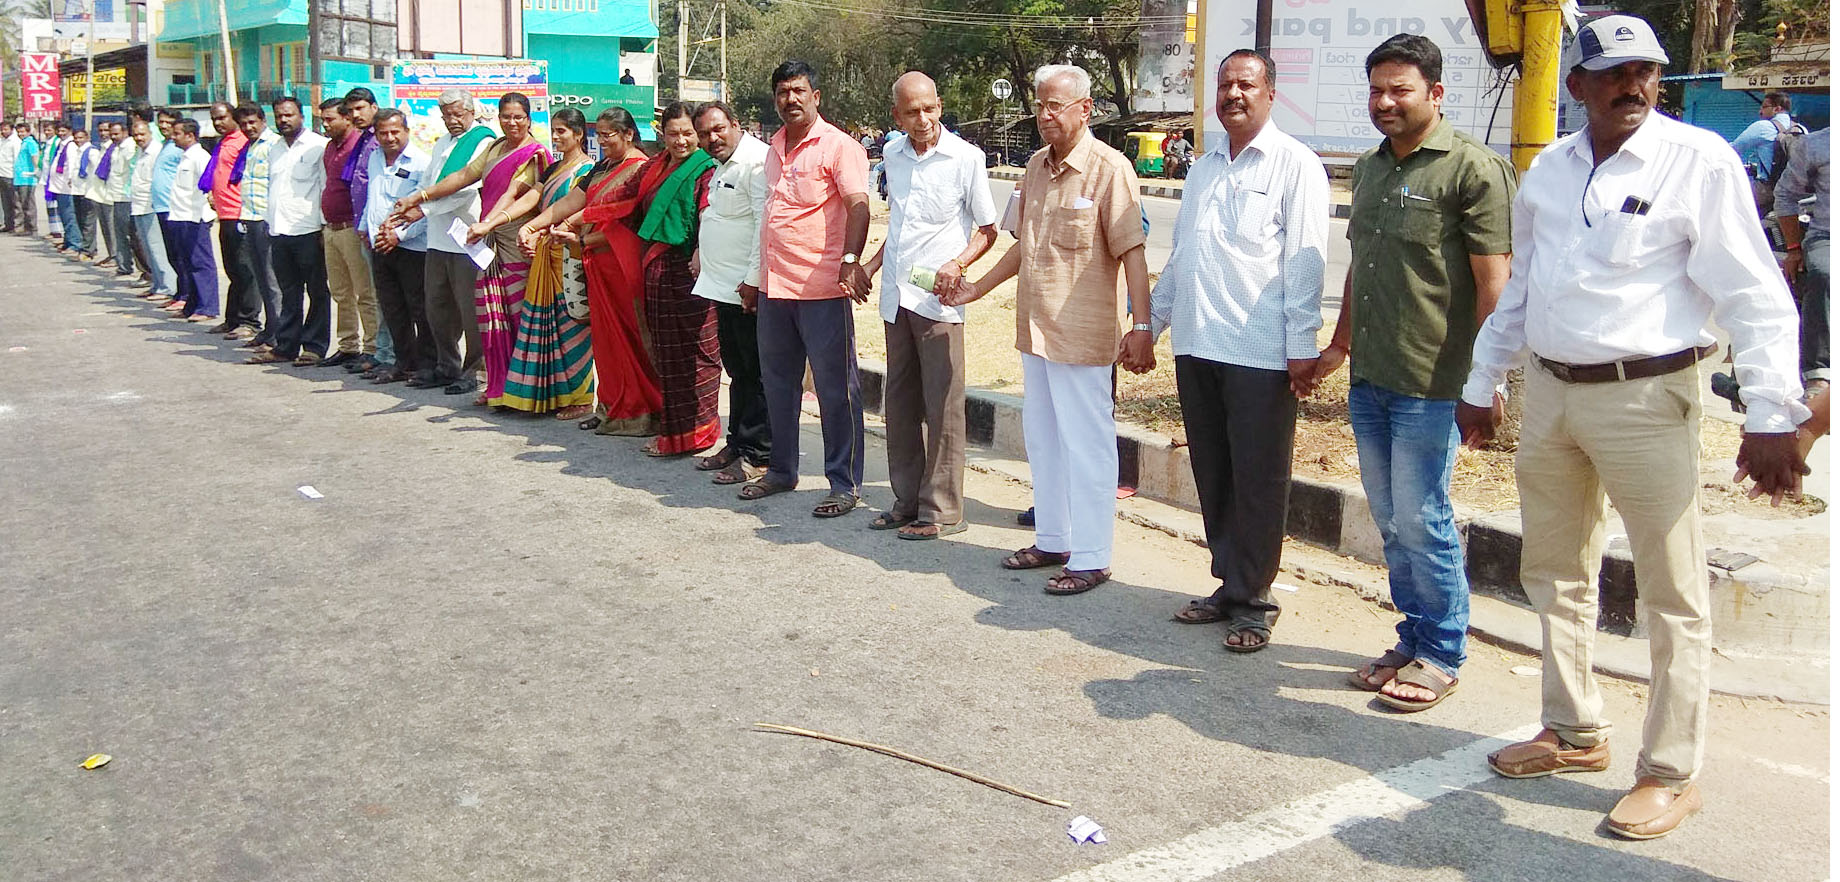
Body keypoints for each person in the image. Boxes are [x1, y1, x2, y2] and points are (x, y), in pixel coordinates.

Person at [1459, 15, 1810, 840]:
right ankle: (1574, 729)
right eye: (1613, 73)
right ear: (1576, 86)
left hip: (1650, 399)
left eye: (1646, 72)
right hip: (1552, 394)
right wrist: (1483, 378)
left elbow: (1755, 295)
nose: (1632, 86)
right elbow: (1522, 288)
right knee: (1556, 572)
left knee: (1672, 593)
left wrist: (1771, 412)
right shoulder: (1549, 169)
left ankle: (1671, 772)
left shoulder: (1699, 162)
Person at [1310, 34, 1515, 708]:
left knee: (1424, 517)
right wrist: (1338, 347)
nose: (1386, 102)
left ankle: (1443, 652)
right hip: (1371, 377)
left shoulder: (1472, 170)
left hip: (1435, 384)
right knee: (1393, 519)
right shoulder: (1369, 169)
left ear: (1436, 93)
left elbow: (1494, 288)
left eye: (1400, 89)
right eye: (1377, 90)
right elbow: (1361, 271)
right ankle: (1415, 634)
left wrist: (1489, 383)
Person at [1147, 49, 1330, 650]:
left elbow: (1306, 264)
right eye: (1224, 85)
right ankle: (1229, 582)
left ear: (1270, 93)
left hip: (1259, 352)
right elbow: (1182, 259)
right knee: (1215, 473)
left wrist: (1302, 346)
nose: (1233, 95)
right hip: (1199, 345)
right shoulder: (1202, 170)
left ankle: (1255, 599)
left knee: (1258, 478)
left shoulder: (1295, 165)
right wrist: (1149, 323)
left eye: (1245, 84)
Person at [946, 65, 1151, 594]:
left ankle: (1092, 555)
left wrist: (1143, 324)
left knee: (1088, 443)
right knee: (1043, 439)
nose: (1045, 116)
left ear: (1085, 110)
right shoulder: (1036, 167)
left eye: (1056, 106)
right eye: (1039, 105)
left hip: (1082, 336)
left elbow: (1132, 252)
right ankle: (1054, 537)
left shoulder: (1110, 169)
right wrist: (975, 288)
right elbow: (1022, 245)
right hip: (1035, 331)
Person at [862, 72, 997, 539]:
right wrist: (871, 266)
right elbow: (899, 224)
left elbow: (988, 230)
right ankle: (906, 501)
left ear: (940, 106)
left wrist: (957, 264)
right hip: (897, 297)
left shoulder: (966, 158)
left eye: (929, 109)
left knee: (943, 407)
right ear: (895, 116)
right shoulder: (892, 157)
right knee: (898, 405)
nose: (922, 120)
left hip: (938, 301)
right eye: (911, 112)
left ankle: (941, 511)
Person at [741, 60, 872, 518]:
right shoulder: (773, 146)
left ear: (817, 96)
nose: (790, 99)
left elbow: (858, 204)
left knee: (837, 391)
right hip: (776, 288)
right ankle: (781, 470)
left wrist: (851, 261)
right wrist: (757, 279)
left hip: (822, 289)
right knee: (778, 385)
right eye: (782, 92)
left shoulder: (840, 147)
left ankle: (844, 483)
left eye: (798, 91)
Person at [516, 107, 662, 435]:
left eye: (609, 135)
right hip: (594, 260)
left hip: (621, 262)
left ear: (628, 134)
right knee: (604, 339)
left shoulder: (638, 169)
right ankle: (609, 405)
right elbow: (573, 201)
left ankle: (640, 409)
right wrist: (535, 227)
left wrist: (573, 231)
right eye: (601, 135)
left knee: (629, 338)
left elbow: (622, 216)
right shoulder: (603, 166)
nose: (603, 141)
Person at [401, 92, 551, 407]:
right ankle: (499, 385)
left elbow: (521, 195)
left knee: (518, 314)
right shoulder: (496, 148)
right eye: (506, 116)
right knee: (492, 316)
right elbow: (463, 176)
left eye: (518, 117)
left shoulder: (535, 153)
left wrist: (490, 224)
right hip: (487, 239)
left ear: (528, 119)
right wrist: (420, 196)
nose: (512, 123)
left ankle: (526, 389)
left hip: (514, 240)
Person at [591, 102, 719, 451]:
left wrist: (700, 253)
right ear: (662, 134)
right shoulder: (653, 168)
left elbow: (710, 216)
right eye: (673, 133)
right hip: (657, 271)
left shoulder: (708, 170)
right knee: (666, 354)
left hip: (692, 270)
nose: (681, 141)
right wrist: (577, 224)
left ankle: (702, 431)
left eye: (688, 134)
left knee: (698, 355)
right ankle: (674, 433)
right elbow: (623, 207)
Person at [477, 106, 597, 414]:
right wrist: (498, 222)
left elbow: (581, 210)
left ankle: (582, 398)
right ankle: (554, 395)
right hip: (544, 255)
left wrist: (541, 229)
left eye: (562, 131)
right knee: (550, 327)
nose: (555, 137)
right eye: (554, 131)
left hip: (569, 256)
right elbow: (530, 197)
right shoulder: (552, 169)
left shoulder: (587, 171)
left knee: (574, 327)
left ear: (579, 134)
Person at [689, 100, 774, 483]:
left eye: (718, 129)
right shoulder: (723, 164)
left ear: (736, 125)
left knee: (755, 373)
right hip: (722, 285)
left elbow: (762, 224)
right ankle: (737, 442)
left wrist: (754, 279)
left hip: (746, 288)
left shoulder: (756, 162)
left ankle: (759, 454)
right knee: (737, 371)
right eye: (705, 133)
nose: (712, 138)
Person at [396, 90, 493, 393]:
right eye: (447, 114)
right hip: (437, 239)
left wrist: (421, 209)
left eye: (457, 114)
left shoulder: (482, 142)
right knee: (436, 307)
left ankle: (475, 371)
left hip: (467, 237)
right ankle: (446, 365)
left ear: (471, 112)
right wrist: (409, 211)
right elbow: (428, 184)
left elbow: (464, 189)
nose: (452, 120)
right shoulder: (441, 144)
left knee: (470, 309)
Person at [245, 97, 330, 367]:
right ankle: (286, 346)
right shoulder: (275, 148)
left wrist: (323, 226)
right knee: (288, 292)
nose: (284, 120)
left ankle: (314, 347)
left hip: (308, 230)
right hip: (279, 230)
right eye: (279, 116)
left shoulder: (318, 146)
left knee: (317, 292)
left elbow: (325, 187)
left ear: (301, 116)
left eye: (289, 115)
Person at [359, 109, 433, 385]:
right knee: (392, 308)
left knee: (420, 309)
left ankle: (427, 365)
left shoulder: (421, 163)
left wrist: (398, 236)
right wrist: (365, 227)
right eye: (383, 133)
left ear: (406, 131)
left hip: (412, 247)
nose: (389, 138)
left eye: (394, 132)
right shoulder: (375, 158)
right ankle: (403, 362)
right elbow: (373, 196)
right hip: (380, 245)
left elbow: (426, 210)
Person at [317, 98, 380, 370]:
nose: (326, 125)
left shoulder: (363, 143)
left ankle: (373, 347)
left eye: (331, 119)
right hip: (331, 228)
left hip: (353, 228)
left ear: (344, 119)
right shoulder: (331, 148)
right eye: (323, 120)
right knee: (341, 292)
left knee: (364, 292)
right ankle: (348, 345)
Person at [341, 88, 395, 378]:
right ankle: (379, 350)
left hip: (388, 232)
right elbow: (366, 188)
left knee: (387, 298)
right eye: (351, 110)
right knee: (375, 295)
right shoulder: (364, 142)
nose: (356, 115)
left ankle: (388, 354)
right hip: (366, 228)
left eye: (361, 108)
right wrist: (363, 226)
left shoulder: (382, 143)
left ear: (374, 107)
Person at [1776, 126, 1830, 398]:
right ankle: (1819, 373)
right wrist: (1794, 248)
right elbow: (1785, 195)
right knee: (1825, 273)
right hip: (1828, 236)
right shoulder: (1816, 145)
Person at [198, 102, 256, 338]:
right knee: (232, 269)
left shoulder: (244, 141)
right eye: (214, 119)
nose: (218, 123)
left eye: (222, 118)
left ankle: (249, 321)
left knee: (246, 270)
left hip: (240, 213)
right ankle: (232, 319)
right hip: (225, 215)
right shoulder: (223, 143)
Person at [231, 102, 285, 352]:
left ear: (263, 121)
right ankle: (270, 330)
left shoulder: (274, 144)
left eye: (252, 122)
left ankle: (279, 336)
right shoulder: (250, 147)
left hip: (267, 218)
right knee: (260, 278)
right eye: (243, 124)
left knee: (272, 280)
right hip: (250, 217)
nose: (248, 127)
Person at [165, 119, 220, 325]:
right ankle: (192, 305)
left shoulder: (200, 156)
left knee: (201, 263)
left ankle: (208, 306)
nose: (173, 137)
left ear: (190, 135)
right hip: (180, 216)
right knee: (187, 263)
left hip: (195, 217)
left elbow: (209, 185)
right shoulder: (185, 157)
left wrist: (207, 213)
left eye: (177, 133)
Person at [127, 118, 177, 304]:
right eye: (136, 135)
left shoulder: (156, 151)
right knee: (147, 248)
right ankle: (157, 284)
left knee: (157, 248)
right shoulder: (140, 152)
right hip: (139, 205)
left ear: (150, 133)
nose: (139, 138)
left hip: (152, 205)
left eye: (142, 134)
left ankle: (167, 287)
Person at [1730, 91, 1796, 211]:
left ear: (1777, 109)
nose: (1760, 111)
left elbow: (1733, 149)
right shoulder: (1800, 129)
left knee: (1729, 204)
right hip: (1794, 191)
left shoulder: (1763, 127)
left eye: (1764, 107)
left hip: (1767, 189)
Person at [151, 110, 188, 310]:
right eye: (161, 122)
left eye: (168, 122)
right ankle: (180, 293)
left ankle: (186, 295)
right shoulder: (167, 145)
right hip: (162, 206)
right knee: (172, 254)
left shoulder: (180, 148)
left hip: (175, 207)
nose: (164, 126)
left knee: (181, 254)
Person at [103, 122, 139, 279]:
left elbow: (132, 171)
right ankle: (123, 265)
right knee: (120, 233)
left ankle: (138, 268)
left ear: (125, 132)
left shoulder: (130, 148)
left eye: (116, 134)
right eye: (112, 133)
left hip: (126, 197)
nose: (113, 136)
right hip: (116, 196)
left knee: (130, 235)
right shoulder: (116, 148)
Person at [12, 120, 39, 238]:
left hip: (27, 178)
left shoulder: (31, 142)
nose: (20, 134)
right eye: (18, 132)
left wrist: (36, 169)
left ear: (28, 132)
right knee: (19, 204)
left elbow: (35, 156)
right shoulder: (23, 142)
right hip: (19, 178)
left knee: (28, 204)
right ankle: (22, 227)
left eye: (22, 132)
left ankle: (32, 228)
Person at [0, 120, 19, 233]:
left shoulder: (15, 142)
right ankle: (8, 224)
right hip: (1, 173)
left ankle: (16, 224)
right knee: (4, 201)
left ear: (11, 129)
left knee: (13, 201)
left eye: (6, 129)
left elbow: (16, 159)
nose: (3, 131)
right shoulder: (2, 140)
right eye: (2, 129)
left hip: (10, 174)